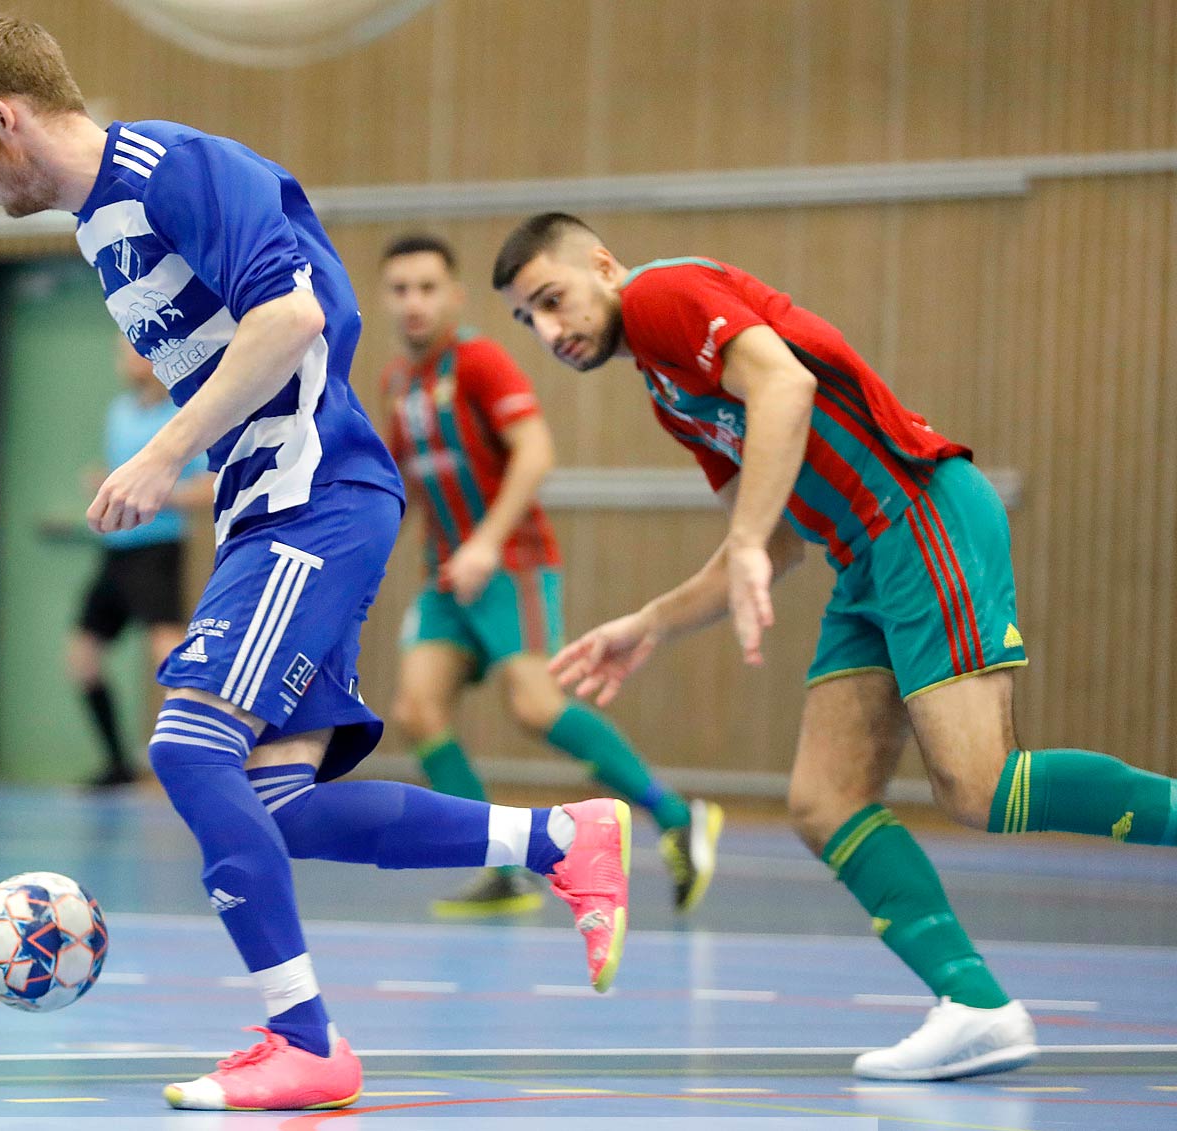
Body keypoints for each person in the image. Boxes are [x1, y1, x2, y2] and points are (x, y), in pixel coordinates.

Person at [0, 19, 630, 1112]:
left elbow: (294, 314)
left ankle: (305, 1040)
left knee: (191, 745)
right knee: (277, 800)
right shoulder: (98, 226)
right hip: (272, 512)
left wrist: (161, 451)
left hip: (317, 499)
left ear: (4, 119)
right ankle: (559, 839)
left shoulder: (172, 168)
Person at [492, 212, 1177, 1082]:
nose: (550, 331)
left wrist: (744, 541)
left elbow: (785, 389)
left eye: (553, 301)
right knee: (823, 800)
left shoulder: (664, 296)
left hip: (919, 510)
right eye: (530, 320)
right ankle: (974, 1004)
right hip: (864, 558)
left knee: (980, 783)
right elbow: (774, 542)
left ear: (602, 265)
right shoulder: (667, 390)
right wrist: (651, 621)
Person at [377, 233, 723, 917]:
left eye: (427, 287)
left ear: (455, 296)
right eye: (399, 289)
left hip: (512, 562)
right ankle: (501, 867)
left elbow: (535, 452)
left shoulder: (479, 361)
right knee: (416, 710)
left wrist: (485, 542)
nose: (414, 302)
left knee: (535, 704)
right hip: (447, 577)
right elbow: (408, 486)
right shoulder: (397, 381)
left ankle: (675, 812)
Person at [69, 339, 212, 788]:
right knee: (82, 657)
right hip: (115, 554)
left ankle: (205, 756)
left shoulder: (181, 418)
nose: (126, 360)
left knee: (169, 653)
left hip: (157, 552)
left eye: (134, 350)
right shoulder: (118, 414)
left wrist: (155, 494)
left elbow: (208, 488)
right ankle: (118, 762)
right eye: (120, 352)